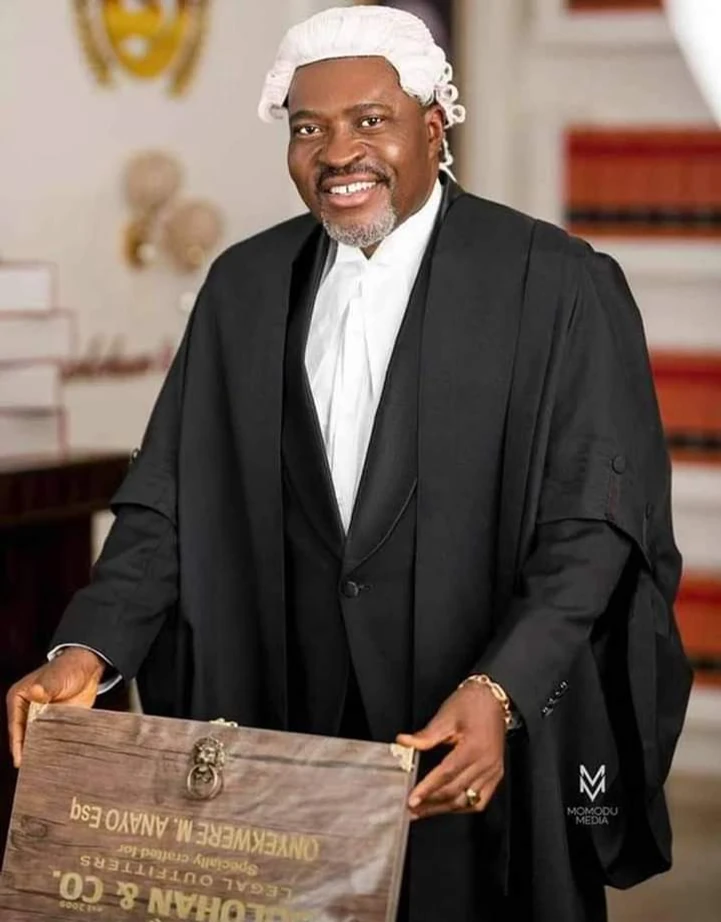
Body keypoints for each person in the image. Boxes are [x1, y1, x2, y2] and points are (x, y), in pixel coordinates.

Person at [6, 6, 692, 921]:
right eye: (307, 128)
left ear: (434, 126)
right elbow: (167, 500)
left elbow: (591, 527)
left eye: (370, 120)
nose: (338, 152)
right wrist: (87, 648)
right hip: (281, 730)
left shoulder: (556, 281)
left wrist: (504, 688)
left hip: (470, 735)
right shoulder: (243, 286)